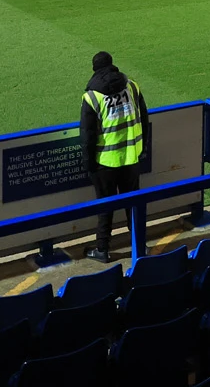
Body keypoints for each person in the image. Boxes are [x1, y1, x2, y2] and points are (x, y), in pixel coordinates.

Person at [78, 51, 150, 262]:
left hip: (105, 162)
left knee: (105, 207)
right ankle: (139, 244)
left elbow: (88, 136)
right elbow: (144, 119)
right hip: (131, 157)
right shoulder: (132, 86)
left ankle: (103, 249)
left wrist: (88, 164)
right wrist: (142, 148)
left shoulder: (92, 97)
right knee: (133, 205)